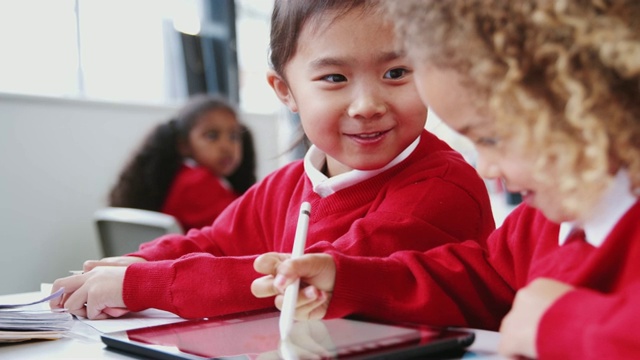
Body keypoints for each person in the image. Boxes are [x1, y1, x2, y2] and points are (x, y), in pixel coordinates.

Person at [50, 0, 495, 322]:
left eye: (396, 73)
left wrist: (140, 285)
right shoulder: (285, 185)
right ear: (286, 91)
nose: (366, 104)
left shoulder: (441, 187)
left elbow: (304, 279)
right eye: (334, 78)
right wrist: (134, 263)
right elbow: (214, 242)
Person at [251, 0, 640, 358]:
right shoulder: (538, 224)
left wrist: (556, 326)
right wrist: (345, 280)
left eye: (492, 138)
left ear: (583, 105)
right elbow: (474, 279)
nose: (486, 168)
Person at [108, 94, 257, 231]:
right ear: (184, 145)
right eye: (212, 136)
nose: (226, 146)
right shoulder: (196, 183)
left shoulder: (184, 176)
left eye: (234, 136)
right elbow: (245, 226)